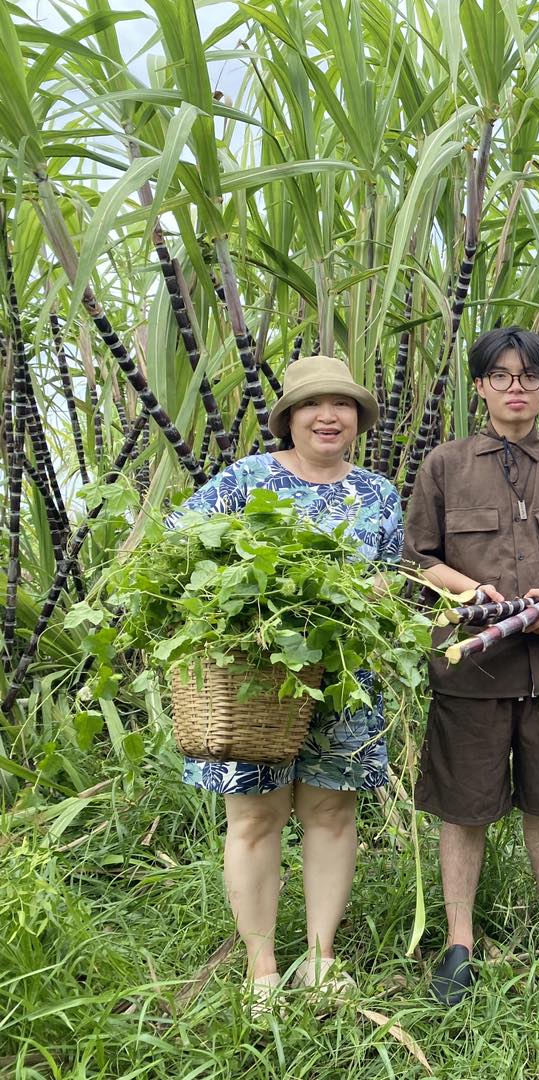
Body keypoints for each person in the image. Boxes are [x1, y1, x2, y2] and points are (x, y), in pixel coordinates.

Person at [404, 326, 539, 1006]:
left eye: (529, 377)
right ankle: (459, 943)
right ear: (479, 387)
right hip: (469, 670)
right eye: (500, 376)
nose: (515, 389)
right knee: (463, 807)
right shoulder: (444, 464)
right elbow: (416, 556)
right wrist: (467, 590)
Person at [174, 354, 401, 1012]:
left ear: (357, 419)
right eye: (311, 405)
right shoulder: (247, 480)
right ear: (289, 419)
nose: (327, 416)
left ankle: (322, 959)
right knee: (253, 819)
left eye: (342, 405)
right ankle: (262, 968)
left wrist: (369, 592)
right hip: (257, 683)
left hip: (346, 678)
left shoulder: (378, 494)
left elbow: (391, 576)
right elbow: (178, 543)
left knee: (331, 814)